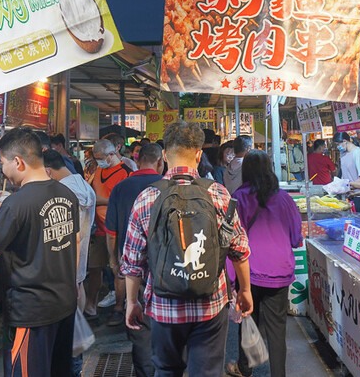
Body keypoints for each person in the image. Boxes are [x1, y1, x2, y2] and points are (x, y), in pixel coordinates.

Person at [121, 121, 253, 377]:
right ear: (198, 154)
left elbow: (132, 262)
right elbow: (240, 249)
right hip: (211, 304)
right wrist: (245, 290)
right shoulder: (218, 194)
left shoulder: (147, 197)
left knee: (166, 370)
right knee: (207, 372)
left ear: (164, 155)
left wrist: (131, 302)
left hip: (162, 304)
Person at [0, 128, 79, 376]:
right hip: (64, 303)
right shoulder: (66, 193)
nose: (2, 170)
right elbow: (74, 242)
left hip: (30, 312)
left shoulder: (16, 203)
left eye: (2, 163)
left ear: (18, 162)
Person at [226, 151, 302, 377]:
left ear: (246, 171)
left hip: (247, 271)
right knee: (277, 330)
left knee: (247, 320)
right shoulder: (284, 198)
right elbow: (296, 237)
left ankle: (243, 368)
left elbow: (229, 239)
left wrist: (231, 280)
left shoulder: (238, 197)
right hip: (279, 272)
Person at [105, 143, 164, 377]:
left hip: (133, 269)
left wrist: (113, 260)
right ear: (160, 161)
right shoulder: (165, 187)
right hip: (163, 270)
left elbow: (111, 231)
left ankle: (146, 372)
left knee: (140, 327)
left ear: (138, 161)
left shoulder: (121, 187)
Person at [42, 150, 95, 311]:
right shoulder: (85, 185)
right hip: (82, 250)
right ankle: (77, 330)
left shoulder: (60, 191)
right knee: (78, 284)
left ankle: (70, 331)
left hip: (62, 252)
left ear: (47, 170)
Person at [85, 138, 131, 321]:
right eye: (96, 158)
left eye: (101, 158)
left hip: (116, 230)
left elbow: (121, 201)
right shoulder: (97, 170)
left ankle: (119, 308)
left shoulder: (126, 173)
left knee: (117, 269)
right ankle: (90, 306)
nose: (99, 161)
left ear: (112, 154)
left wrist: (96, 199)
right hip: (97, 228)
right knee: (95, 268)